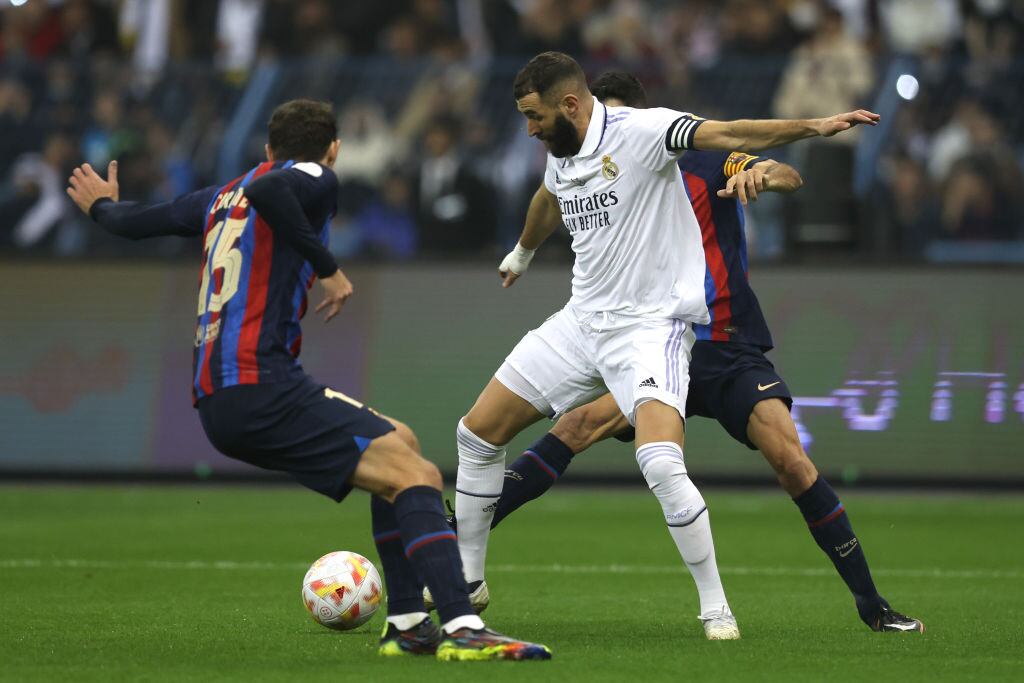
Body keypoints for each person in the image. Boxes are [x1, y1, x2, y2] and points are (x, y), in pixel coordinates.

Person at [65, 99, 551, 662]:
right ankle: (464, 628)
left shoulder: (220, 196)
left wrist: (102, 207)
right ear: (333, 150)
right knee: (416, 473)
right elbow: (273, 191)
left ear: (267, 149)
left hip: (221, 394)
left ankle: (410, 622)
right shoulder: (313, 177)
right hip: (260, 382)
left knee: (399, 443)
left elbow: (132, 222)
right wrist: (329, 268)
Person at [447, 52, 880, 641]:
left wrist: (808, 134)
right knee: (492, 432)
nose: (530, 129)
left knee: (747, 457)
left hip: (697, 338)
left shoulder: (664, 140)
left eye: (535, 116)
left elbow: (766, 159)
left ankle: (807, 604)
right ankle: (463, 579)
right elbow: (548, 200)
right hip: (586, 324)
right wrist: (521, 253)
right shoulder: (568, 155)